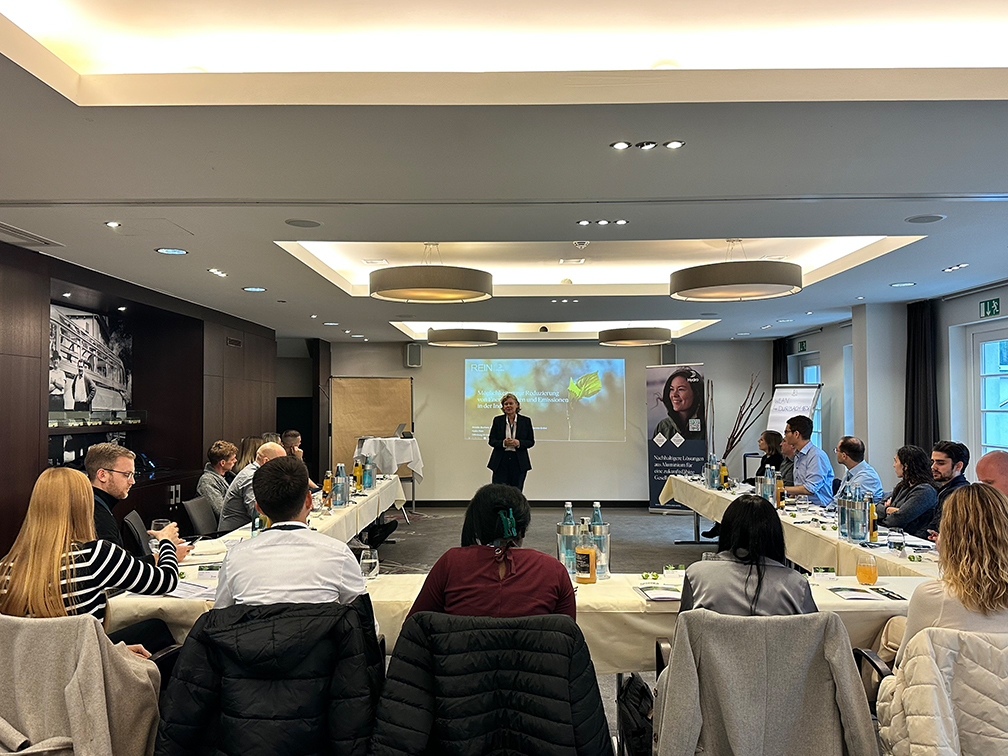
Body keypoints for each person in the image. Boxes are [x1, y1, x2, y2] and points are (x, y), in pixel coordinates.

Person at [0, 467, 185, 656]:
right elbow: (166, 581)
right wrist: (166, 543)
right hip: (85, 673)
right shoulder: (95, 556)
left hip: (35, 676)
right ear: (84, 506)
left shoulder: (6, 568)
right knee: (159, 629)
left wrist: (111, 649)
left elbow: (47, 641)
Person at [214, 456, 367, 611]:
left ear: (259, 509)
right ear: (309, 500)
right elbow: (365, 622)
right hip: (319, 635)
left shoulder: (234, 558)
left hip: (254, 634)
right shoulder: (338, 554)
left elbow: (219, 618)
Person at [407, 484, 575, 620]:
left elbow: (415, 626)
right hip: (534, 662)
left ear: (475, 525)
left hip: (461, 662)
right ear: (522, 527)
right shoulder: (552, 568)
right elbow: (566, 637)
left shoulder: (451, 563)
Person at [895, 483, 1008, 666]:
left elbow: (903, 664)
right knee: (893, 627)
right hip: (1000, 692)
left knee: (890, 633)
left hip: (943, 692)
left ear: (948, 535)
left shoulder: (934, 597)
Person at [681, 494, 817, 616]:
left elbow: (684, 628)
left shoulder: (696, 575)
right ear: (775, 536)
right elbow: (811, 633)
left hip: (713, 644)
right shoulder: (796, 584)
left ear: (726, 532)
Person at [218, 442, 287, 532]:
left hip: (247, 530)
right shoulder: (251, 477)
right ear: (266, 461)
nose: (284, 467)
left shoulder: (258, 473)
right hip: (234, 535)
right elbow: (258, 514)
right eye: (280, 463)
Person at [877, 445, 937, 540]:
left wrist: (887, 512)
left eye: (896, 461)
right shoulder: (903, 486)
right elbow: (876, 507)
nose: (894, 465)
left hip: (911, 541)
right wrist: (888, 510)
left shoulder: (924, 491)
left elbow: (897, 520)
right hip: (894, 537)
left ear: (906, 466)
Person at [85, 442, 137, 547]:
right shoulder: (98, 517)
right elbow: (117, 563)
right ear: (102, 475)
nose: (132, 481)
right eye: (127, 475)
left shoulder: (89, 501)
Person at [487, 393, 535, 491]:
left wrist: (519, 443)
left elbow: (531, 441)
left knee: (516, 491)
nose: (508, 406)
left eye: (511, 403)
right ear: (503, 407)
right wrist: (503, 443)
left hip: (518, 461)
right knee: (499, 491)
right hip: (501, 460)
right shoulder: (497, 420)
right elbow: (492, 441)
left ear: (517, 405)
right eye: (506, 404)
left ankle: (514, 507)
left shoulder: (526, 421)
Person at [783, 415, 834, 506]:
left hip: (819, 508)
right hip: (802, 504)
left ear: (796, 434)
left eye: (786, 432)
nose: (785, 435)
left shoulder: (816, 456)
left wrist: (781, 489)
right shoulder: (798, 455)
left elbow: (809, 489)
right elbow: (799, 486)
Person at [925, 440, 970, 535]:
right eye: (932, 462)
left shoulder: (958, 493)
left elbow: (935, 528)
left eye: (940, 463)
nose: (933, 467)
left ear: (958, 466)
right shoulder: (942, 489)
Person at [653, 367, 706, 441]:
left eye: (681, 389)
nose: (674, 395)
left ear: (696, 393)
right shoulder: (663, 426)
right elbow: (656, 451)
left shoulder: (706, 425)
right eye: (672, 389)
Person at [832, 436, 884, 502]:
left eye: (837, 450)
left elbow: (850, 503)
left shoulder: (867, 477)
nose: (836, 453)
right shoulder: (849, 472)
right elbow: (837, 499)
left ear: (844, 456)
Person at [197, 440, 238, 519]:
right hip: (226, 524)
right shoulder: (207, 481)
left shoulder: (229, 476)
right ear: (222, 463)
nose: (235, 461)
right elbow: (221, 511)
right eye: (232, 459)